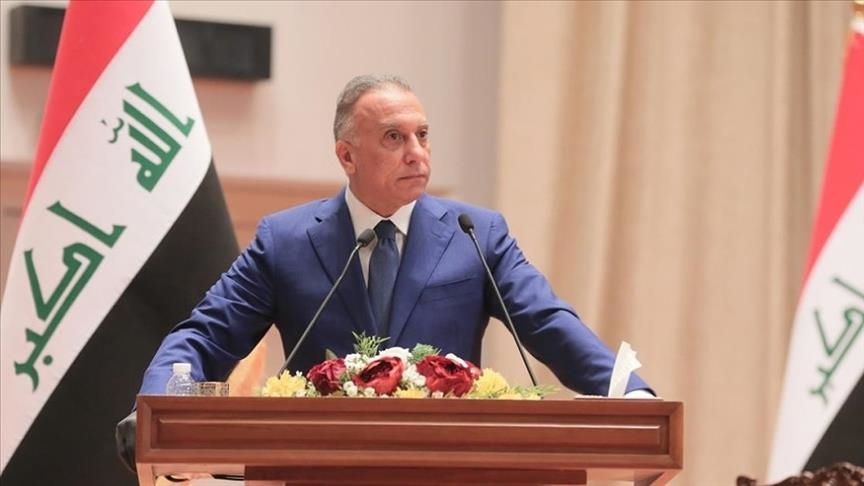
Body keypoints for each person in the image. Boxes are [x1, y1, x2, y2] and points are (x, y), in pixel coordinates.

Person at [135, 74, 653, 397]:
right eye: (393, 138)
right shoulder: (285, 241)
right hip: (316, 467)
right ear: (347, 156)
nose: (417, 153)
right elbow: (208, 335)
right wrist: (160, 399)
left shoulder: (477, 235)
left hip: (449, 468)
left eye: (422, 135)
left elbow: (548, 323)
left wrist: (630, 394)